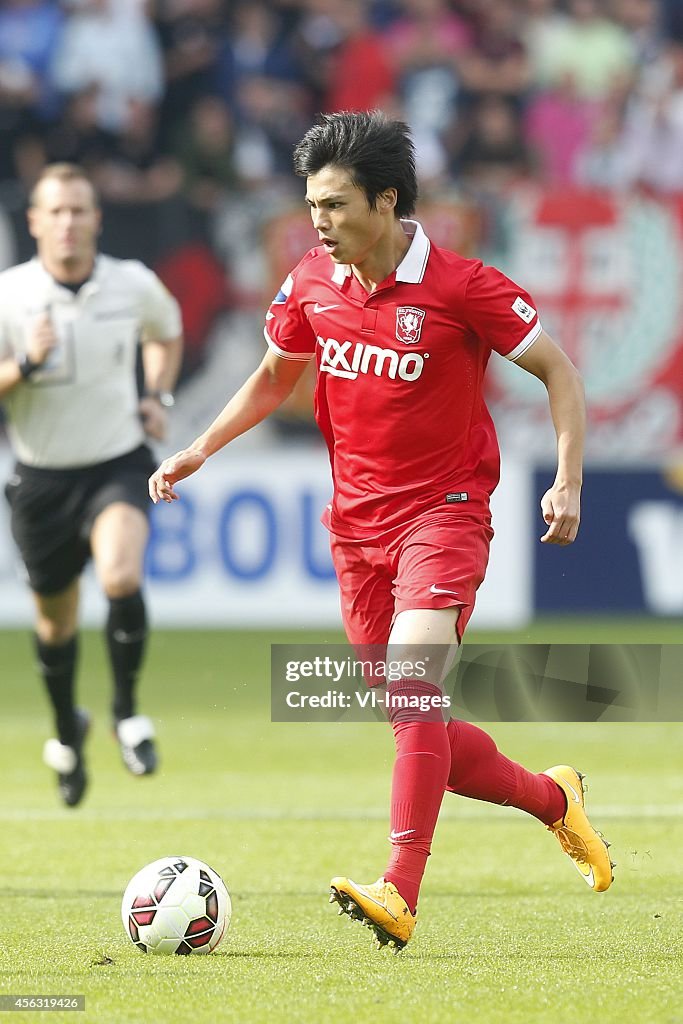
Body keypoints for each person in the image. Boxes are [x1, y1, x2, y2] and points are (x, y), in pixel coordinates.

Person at [149, 112, 613, 951]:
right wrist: (197, 449)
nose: (316, 220)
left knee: (410, 690)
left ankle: (399, 890)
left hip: (445, 515)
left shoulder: (464, 286)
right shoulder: (311, 281)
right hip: (354, 532)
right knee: (414, 718)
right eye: (310, 204)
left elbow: (560, 373)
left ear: (386, 201)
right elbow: (269, 377)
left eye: (332, 204)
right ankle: (555, 799)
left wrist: (567, 479)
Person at [0, 162, 183, 808]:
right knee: (55, 624)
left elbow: (166, 331)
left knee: (120, 577)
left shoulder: (130, 284)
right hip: (40, 480)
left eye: (79, 210)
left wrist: (156, 392)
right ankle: (65, 735)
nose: (69, 222)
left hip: (116, 463)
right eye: (56, 211)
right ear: (35, 222)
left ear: (96, 219)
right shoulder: (10, 295)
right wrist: (25, 364)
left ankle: (126, 714)